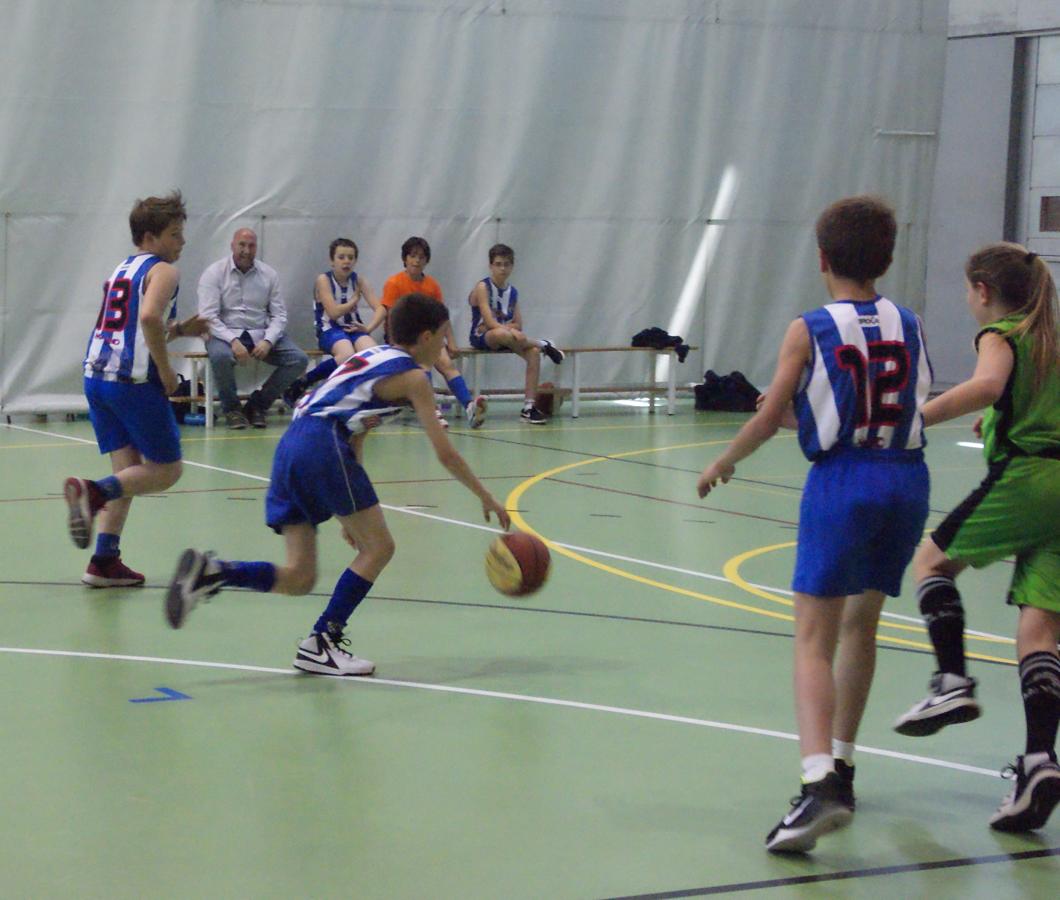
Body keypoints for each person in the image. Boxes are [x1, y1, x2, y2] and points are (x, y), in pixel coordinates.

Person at [697, 196, 932, 853]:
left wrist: (722, 462)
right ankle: (846, 764)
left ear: (822, 258)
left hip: (845, 480)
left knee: (810, 638)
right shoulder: (909, 322)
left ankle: (817, 780)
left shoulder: (810, 327)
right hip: (908, 479)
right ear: (885, 258)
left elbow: (770, 415)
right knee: (864, 623)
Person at [164, 293, 512, 676]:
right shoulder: (414, 377)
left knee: (300, 576)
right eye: (443, 337)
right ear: (427, 336)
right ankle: (323, 640)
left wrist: (350, 516)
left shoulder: (370, 357)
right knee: (380, 547)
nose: (447, 346)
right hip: (321, 443)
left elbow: (358, 432)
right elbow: (446, 454)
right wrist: (487, 496)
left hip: (292, 447)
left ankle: (215, 572)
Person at [893, 242, 1060, 833]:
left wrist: (916, 417)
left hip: (1030, 477)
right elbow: (1013, 397)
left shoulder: (1004, 334)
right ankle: (1039, 760)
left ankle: (952, 681)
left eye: (968, 290)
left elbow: (989, 384)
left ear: (983, 292)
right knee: (1040, 626)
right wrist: (1001, 414)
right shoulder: (1050, 336)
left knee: (932, 562)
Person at [64, 191, 211, 587]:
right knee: (166, 470)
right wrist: (166, 373)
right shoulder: (164, 270)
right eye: (176, 234)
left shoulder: (121, 269)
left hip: (96, 377)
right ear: (151, 236)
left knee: (129, 472)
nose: (182, 242)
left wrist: (180, 330)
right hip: (131, 382)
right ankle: (92, 494)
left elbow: (135, 321)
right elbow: (147, 317)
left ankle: (104, 561)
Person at [198, 228, 309, 429]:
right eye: (242, 245)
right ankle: (232, 409)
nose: (246, 251)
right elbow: (208, 316)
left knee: (298, 359)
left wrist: (268, 340)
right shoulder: (214, 273)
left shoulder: (269, 274)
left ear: (256, 248)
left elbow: (279, 315)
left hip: (260, 332)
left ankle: (258, 406)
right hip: (224, 334)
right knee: (221, 357)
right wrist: (233, 341)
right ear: (232, 246)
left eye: (251, 246)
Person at [380, 236, 486, 429]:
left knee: (447, 364)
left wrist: (450, 342)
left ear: (426, 261)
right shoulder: (394, 283)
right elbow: (390, 317)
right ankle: (432, 411)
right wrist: (395, 344)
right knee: (424, 365)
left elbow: (442, 318)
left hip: (428, 336)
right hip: (405, 339)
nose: (416, 260)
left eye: (421, 257)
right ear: (405, 259)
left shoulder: (432, 285)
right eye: (412, 256)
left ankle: (470, 407)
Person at [468, 243, 565, 424]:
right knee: (499, 334)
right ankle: (543, 344)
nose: (502, 268)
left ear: (512, 266)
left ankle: (528, 408)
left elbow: (519, 324)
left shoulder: (513, 292)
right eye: (498, 264)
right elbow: (489, 323)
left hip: (508, 337)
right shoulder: (483, 287)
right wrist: (509, 328)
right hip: (482, 336)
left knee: (533, 354)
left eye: (506, 264)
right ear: (490, 266)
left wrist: (511, 329)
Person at [283, 237, 384, 406]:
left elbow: (381, 309)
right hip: (329, 329)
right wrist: (354, 301)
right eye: (341, 257)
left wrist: (368, 328)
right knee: (347, 355)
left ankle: (361, 397)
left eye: (350, 258)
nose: (346, 262)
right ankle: (304, 382)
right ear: (332, 261)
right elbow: (334, 312)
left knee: (373, 355)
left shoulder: (358, 280)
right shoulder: (323, 280)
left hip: (353, 329)